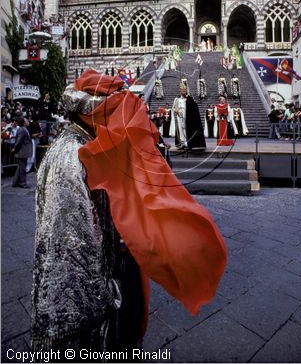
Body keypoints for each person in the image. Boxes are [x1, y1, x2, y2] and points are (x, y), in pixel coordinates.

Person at [31, 69, 226, 354]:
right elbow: (72, 244)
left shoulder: (84, 143)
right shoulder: (70, 155)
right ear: (93, 111)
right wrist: (106, 293)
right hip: (91, 301)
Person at [170, 85, 206, 150]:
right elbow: (173, 108)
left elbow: (193, 108)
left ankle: (188, 143)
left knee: (187, 130)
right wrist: (177, 111)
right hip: (179, 117)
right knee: (181, 130)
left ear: (186, 91)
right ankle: (182, 144)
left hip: (187, 117)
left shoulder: (189, 99)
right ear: (180, 91)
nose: (183, 91)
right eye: (182, 90)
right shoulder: (177, 99)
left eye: (184, 90)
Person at [12, 117, 32, 188]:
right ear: (23, 123)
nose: (28, 121)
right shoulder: (22, 130)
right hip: (22, 151)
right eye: (26, 120)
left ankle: (16, 182)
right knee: (22, 168)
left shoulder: (24, 129)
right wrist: (15, 148)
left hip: (24, 151)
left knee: (20, 167)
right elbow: (19, 141)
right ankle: (22, 183)